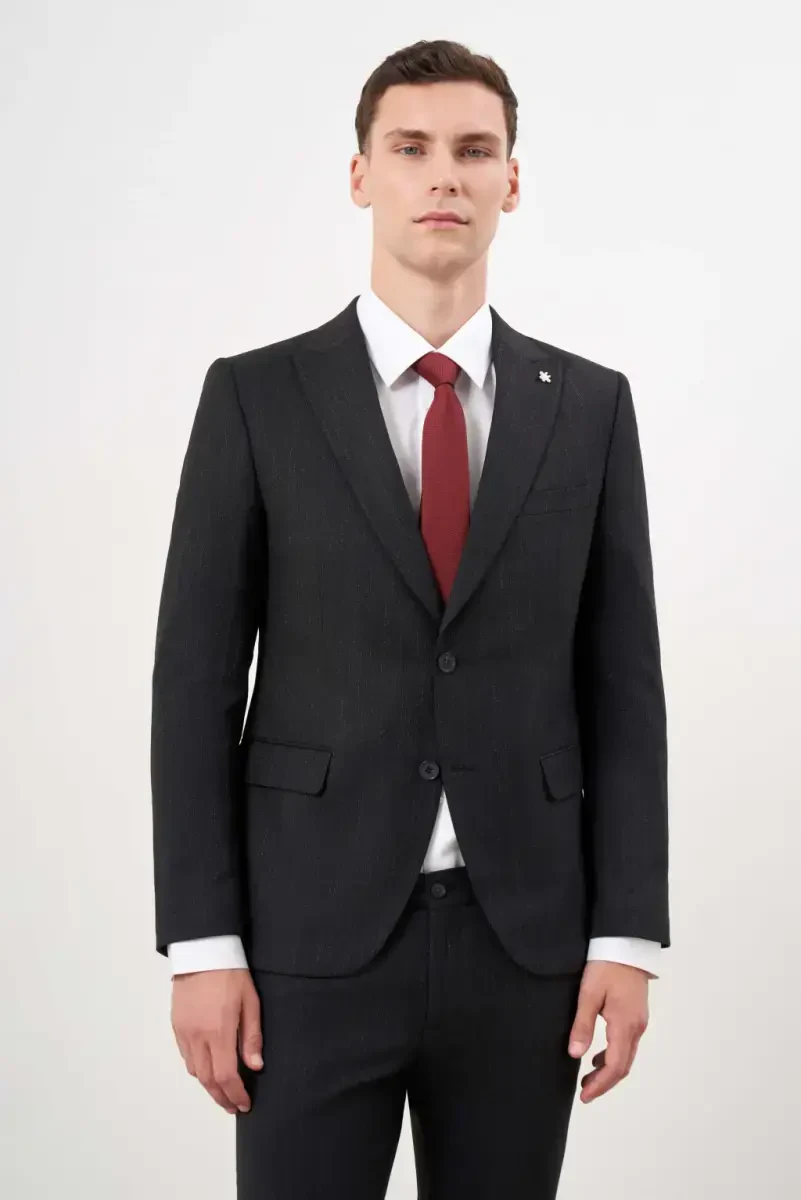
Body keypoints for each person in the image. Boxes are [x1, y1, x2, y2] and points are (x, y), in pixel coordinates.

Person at [150, 37, 670, 1200]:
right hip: (306, 945)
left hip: (525, 946)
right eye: (413, 148)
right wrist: (202, 943)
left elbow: (624, 688)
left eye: (475, 151)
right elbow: (193, 685)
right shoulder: (257, 396)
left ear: (511, 182)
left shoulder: (589, 408)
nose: (445, 175)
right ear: (361, 175)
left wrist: (627, 936)